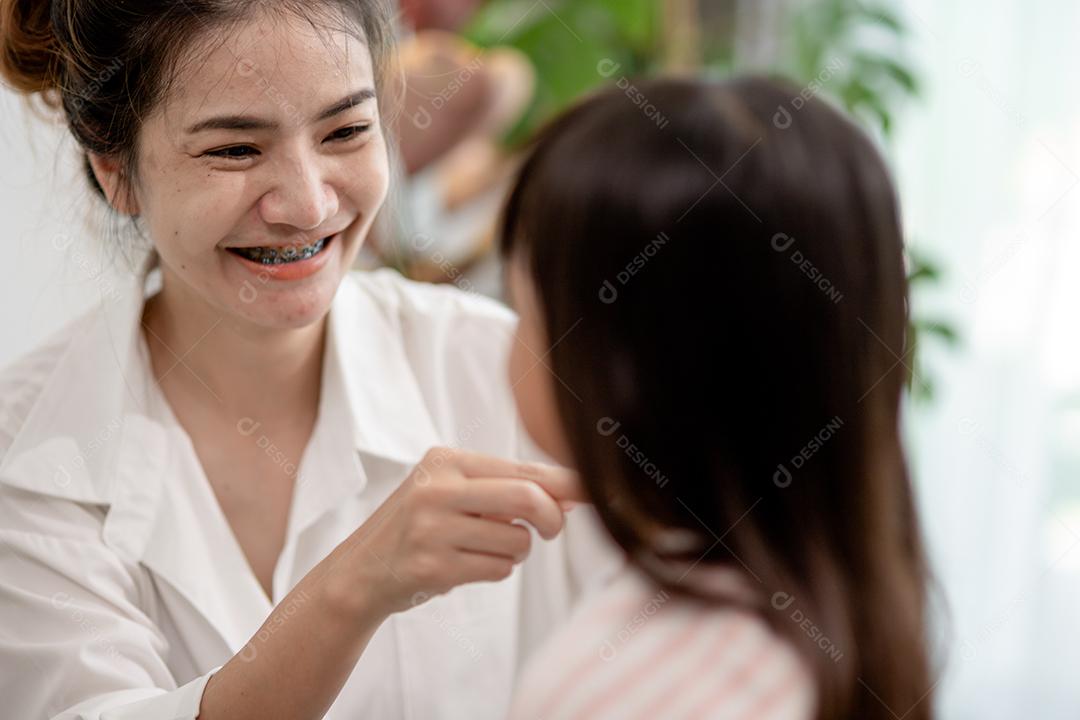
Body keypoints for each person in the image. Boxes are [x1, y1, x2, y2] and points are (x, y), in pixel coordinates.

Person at [0, 2, 615, 718]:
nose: (307, 203)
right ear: (116, 170)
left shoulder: (494, 366)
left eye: (346, 131)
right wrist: (352, 589)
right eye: (235, 150)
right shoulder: (30, 455)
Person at [499, 77, 936, 719]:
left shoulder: (615, 690)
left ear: (625, 373)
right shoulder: (843, 603)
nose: (506, 340)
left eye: (524, 308)